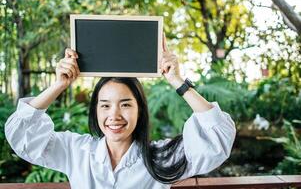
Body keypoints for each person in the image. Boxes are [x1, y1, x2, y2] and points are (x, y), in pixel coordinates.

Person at [5, 36, 236, 189]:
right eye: (105, 105)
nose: (114, 115)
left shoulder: (162, 157)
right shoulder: (76, 151)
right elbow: (22, 136)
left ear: (140, 110)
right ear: (95, 109)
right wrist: (58, 85)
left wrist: (178, 81)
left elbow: (217, 141)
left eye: (125, 104)